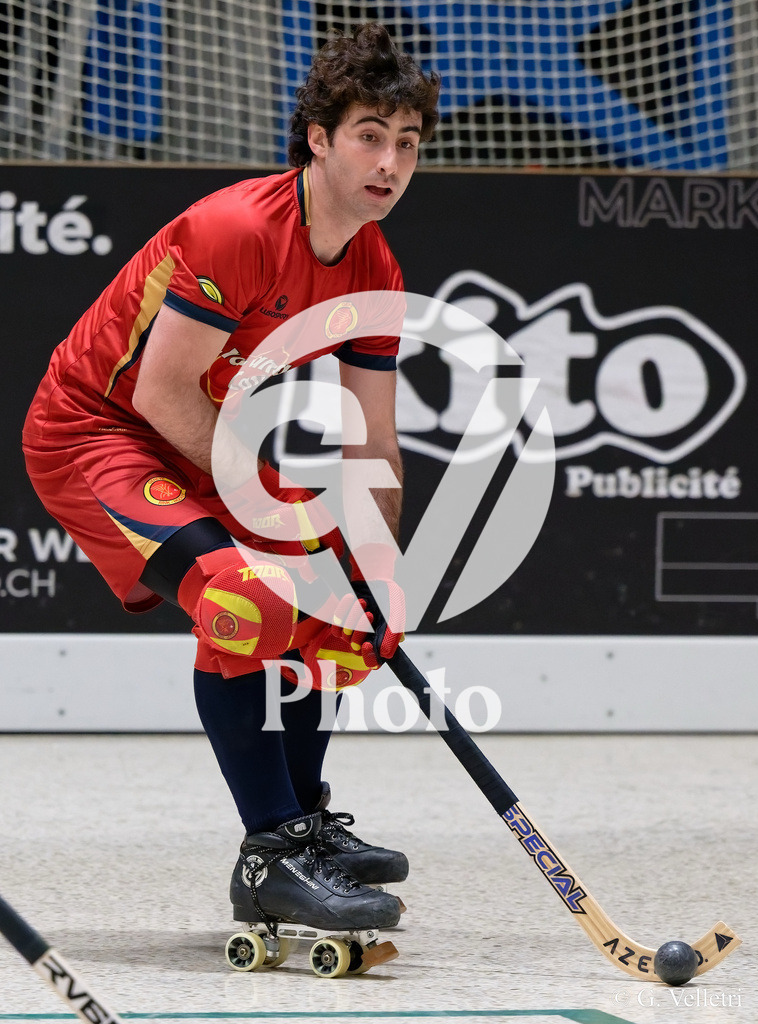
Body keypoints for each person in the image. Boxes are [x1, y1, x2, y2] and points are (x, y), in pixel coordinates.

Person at [22, 24, 440, 942]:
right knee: (245, 597)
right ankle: (271, 854)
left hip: (190, 439)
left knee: (334, 596)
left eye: (408, 142)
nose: (390, 162)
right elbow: (159, 390)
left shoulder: (374, 264)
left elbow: (375, 439)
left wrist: (370, 561)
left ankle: (307, 826)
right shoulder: (239, 228)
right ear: (319, 137)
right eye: (370, 134)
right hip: (99, 430)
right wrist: (277, 509)